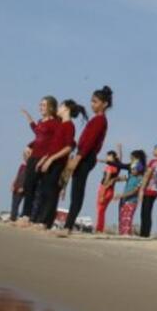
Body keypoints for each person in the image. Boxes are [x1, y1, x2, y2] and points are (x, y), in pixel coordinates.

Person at [63, 86, 113, 234]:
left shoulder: (100, 120)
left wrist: (77, 158)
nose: (92, 104)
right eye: (91, 101)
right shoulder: (96, 119)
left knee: (77, 191)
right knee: (75, 191)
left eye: (95, 101)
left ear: (104, 104)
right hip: (83, 155)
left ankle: (68, 227)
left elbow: (90, 142)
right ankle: (68, 225)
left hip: (86, 156)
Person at [33, 99, 86, 230]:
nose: (58, 108)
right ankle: (40, 221)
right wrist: (44, 159)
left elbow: (68, 147)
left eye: (61, 106)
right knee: (44, 192)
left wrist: (51, 159)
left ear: (66, 108)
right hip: (50, 162)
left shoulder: (69, 125)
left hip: (58, 164)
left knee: (51, 193)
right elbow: (53, 147)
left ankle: (45, 223)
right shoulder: (61, 124)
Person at [16, 96, 59, 224]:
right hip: (33, 157)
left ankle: (39, 219)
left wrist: (48, 157)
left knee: (43, 190)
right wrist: (29, 146)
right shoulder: (41, 122)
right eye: (40, 105)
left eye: (44, 105)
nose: (41, 107)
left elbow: (55, 141)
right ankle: (25, 216)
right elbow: (38, 134)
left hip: (44, 158)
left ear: (51, 107)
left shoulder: (55, 123)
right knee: (29, 186)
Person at [95, 148, 125, 234]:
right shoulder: (117, 167)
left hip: (105, 188)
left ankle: (99, 229)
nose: (107, 157)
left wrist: (102, 194)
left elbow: (106, 180)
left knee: (100, 210)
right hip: (111, 190)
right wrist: (120, 149)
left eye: (109, 156)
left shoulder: (110, 167)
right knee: (102, 210)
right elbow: (120, 160)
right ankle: (99, 228)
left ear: (113, 157)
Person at [118, 150, 147, 236]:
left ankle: (126, 234)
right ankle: (122, 234)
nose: (132, 170)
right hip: (124, 201)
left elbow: (134, 191)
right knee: (122, 218)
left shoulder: (141, 179)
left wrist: (121, 195)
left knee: (127, 219)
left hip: (131, 202)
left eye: (134, 169)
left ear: (139, 169)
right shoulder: (130, 175)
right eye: (132, 169)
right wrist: (115, 179)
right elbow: (121, 178)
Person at [9, 155, 27, 222]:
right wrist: (13, 184)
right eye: (24, 156)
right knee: (14, 203)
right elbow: (17, 175)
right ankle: (12, 218)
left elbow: (28, 179)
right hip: (17, 186)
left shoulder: (30, 167)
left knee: (18, 203)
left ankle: (16, 218)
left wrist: (23, 187)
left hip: (23, 188)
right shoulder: (22, 166)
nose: (24, 157)